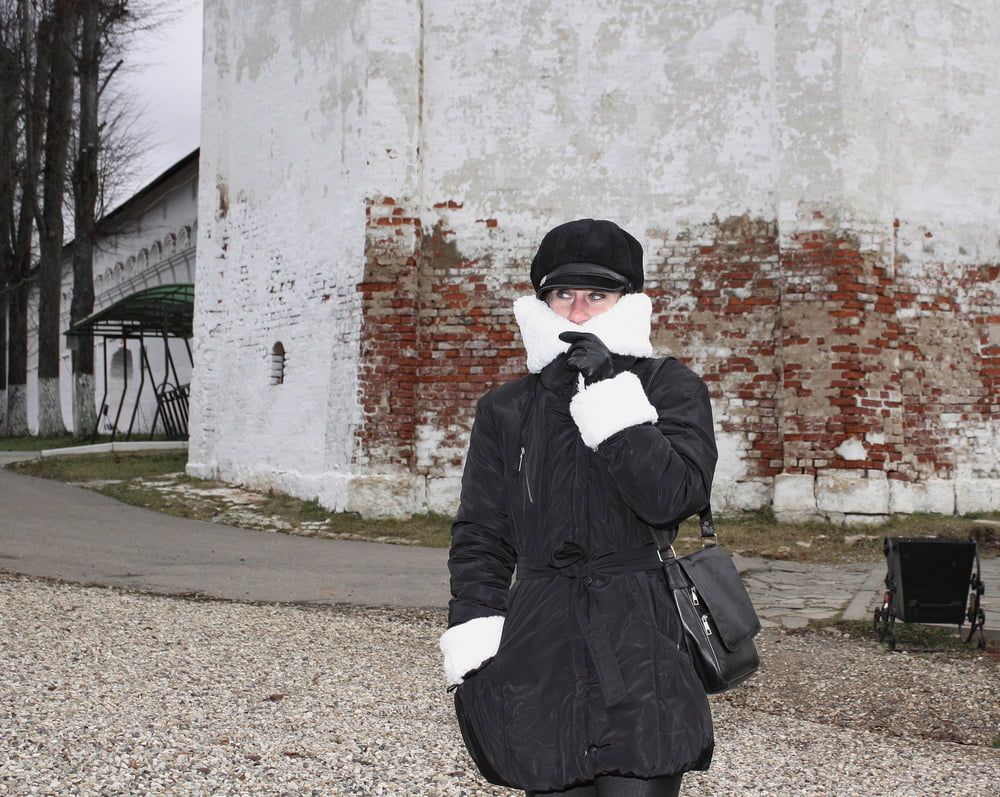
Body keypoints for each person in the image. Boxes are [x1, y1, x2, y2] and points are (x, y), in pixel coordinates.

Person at [439, 218, 718, 796]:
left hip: (640, 629)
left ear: (626, 301)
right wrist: (476, 632)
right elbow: (481, 534)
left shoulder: (669, 387)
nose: (579, 312)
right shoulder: (506, 408)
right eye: (563, 294)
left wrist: (611, 391)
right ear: (541, 302)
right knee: (550, 774)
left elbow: (674, 496)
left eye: (598, 295)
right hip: (540, 631)